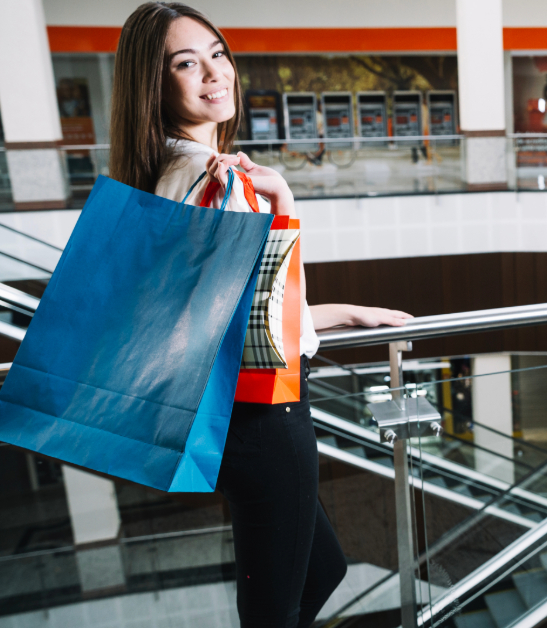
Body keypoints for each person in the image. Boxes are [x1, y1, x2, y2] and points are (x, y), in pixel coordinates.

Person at [109, 4, 413, 626]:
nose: (213, 73)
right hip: (263, 416)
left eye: (217, 54)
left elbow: (245, 312)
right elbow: (262, 330)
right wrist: (282, 208)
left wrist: (344, 309)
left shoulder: (169, 171)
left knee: (321, 570)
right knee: (272, 611)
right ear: (154, 82)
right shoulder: (210, 177)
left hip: (239, 416)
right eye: (186, 63)